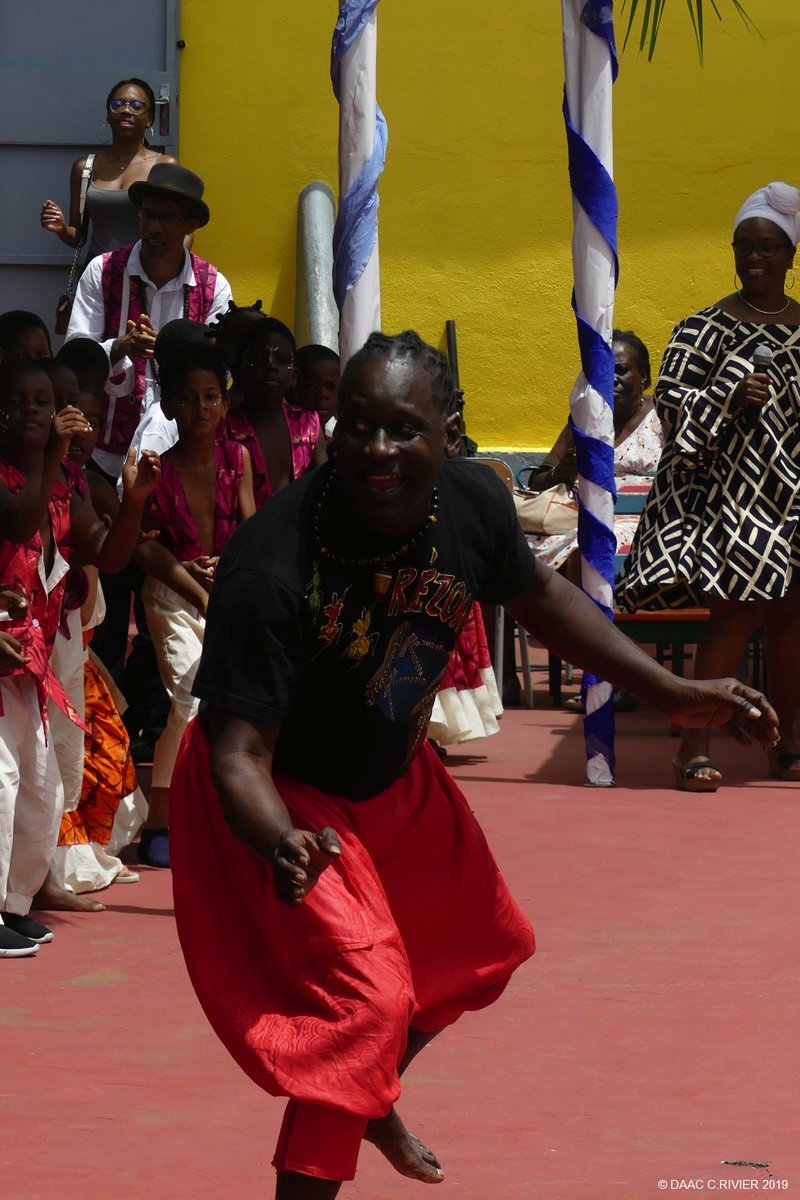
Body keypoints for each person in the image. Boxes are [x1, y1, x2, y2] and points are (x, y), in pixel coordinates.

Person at [169, 330, 777, 1196]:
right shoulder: (272, 566)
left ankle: (370, 1091)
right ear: (334, 431)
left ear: (448, 434)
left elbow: (541, 598)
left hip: (391, 770)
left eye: (405, 430)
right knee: (366, 1008)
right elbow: (237, 752)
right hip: (281, 791)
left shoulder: (473, 503)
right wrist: (281, 842)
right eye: (359, 428)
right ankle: (350, 1106)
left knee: (488, 947)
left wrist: (670, 692)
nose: (380, 453)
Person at [617, 181, 800, 790]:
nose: (755, 258)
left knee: (791, 621)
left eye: (768, 248)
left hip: (793, 499)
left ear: (790, 256)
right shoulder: (703, 327)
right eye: (744, 246)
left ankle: (787, 740)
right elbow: (668, 406)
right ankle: (693, 743)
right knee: (732, 618)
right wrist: (728, 398)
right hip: (731, 501)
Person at [0, 360, 159, 956]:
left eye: (46, 400)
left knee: (41, 785)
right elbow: (16, 522)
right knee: (2, 783)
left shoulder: (62, 482)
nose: (38, 410)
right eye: (23, 400)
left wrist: (137, 501)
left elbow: (108, 556)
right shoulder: (15, 479)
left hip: (31, 660)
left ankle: (15, 902)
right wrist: (55, 452)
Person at [138, 342, 255, 867]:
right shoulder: (152, 470)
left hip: (227, 595)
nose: (201, 408)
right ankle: (161, 819)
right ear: (169, 406)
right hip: (173, 596)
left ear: (226, 405)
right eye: (187, 398)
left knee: (233, 705)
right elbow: (144, 546)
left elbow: (250, 528)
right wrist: (193, 582)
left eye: (211, 397)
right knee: (189, 695)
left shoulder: (238, 458)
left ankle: (221, 815)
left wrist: (232, 578)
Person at [65, 162, 233, 478]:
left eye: (166, 218)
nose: (153, 227)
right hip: (101, 454)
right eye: (147, 214)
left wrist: (173, 352)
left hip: (179, 458)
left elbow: (217, 371)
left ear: (191, 225)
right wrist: (120, 347)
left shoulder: (214, 286)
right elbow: (75, 359)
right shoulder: (102, 272)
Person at [523, 330, 663, 582]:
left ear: (643, 376)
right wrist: (560, 472)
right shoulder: (584, 419)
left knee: (587, 548)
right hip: (576, 518)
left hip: (638, 524)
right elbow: (537, 482)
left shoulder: (662, 416)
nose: (612, 378)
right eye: (604, 369)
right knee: (506, 546)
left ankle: (585, 619)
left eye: (621, 370)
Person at [40, 78, 177, 263]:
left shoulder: (165, 166)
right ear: (108, 115)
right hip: (97, 277)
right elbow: (78, 238)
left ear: (149, 119)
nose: (126, 110)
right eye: (117, 104)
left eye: (137, 106)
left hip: (147, 274)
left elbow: (184, 231)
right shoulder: (85, 168)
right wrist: (61, 229)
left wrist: (167, 269)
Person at [226, 317, 327, 506]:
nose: (270, 365)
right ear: (237, 370)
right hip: (244, 533)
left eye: (281, 360)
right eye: (257, 359)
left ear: (294, 376)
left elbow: (323, 489)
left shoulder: (308, 425)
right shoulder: (224, 427)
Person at [292, 343, 340, 435]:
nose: (323, 394)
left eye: (332, 387)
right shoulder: (284, 442)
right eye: (311, 387)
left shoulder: (334, 442)